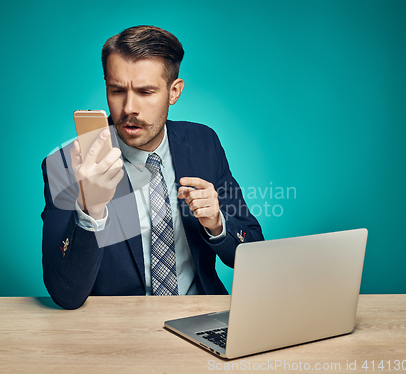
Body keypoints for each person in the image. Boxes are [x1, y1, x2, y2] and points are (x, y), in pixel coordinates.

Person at [41, 25, 263, 310]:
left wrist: (217, 223)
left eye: (146, 92)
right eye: (117, 90)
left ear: (174, 91)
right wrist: (90, 209)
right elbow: (65, 294)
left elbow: (253, 251)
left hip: (199, 316)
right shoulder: (64, 165)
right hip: (117, 331)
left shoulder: (204, 143)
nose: (129, 108)